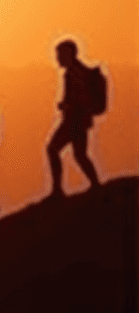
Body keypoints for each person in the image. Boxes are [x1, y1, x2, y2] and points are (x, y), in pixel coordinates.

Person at [46, 39, 102, 198]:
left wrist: (66, 106)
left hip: (74, 120)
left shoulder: (75, 73)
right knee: (80, 155)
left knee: (53, 150)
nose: (57, 58)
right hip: (79, 120)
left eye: (59, 54)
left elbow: (81, 99)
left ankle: (57, 191)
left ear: (68, 54)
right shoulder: (78, 71)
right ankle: (96, 185)